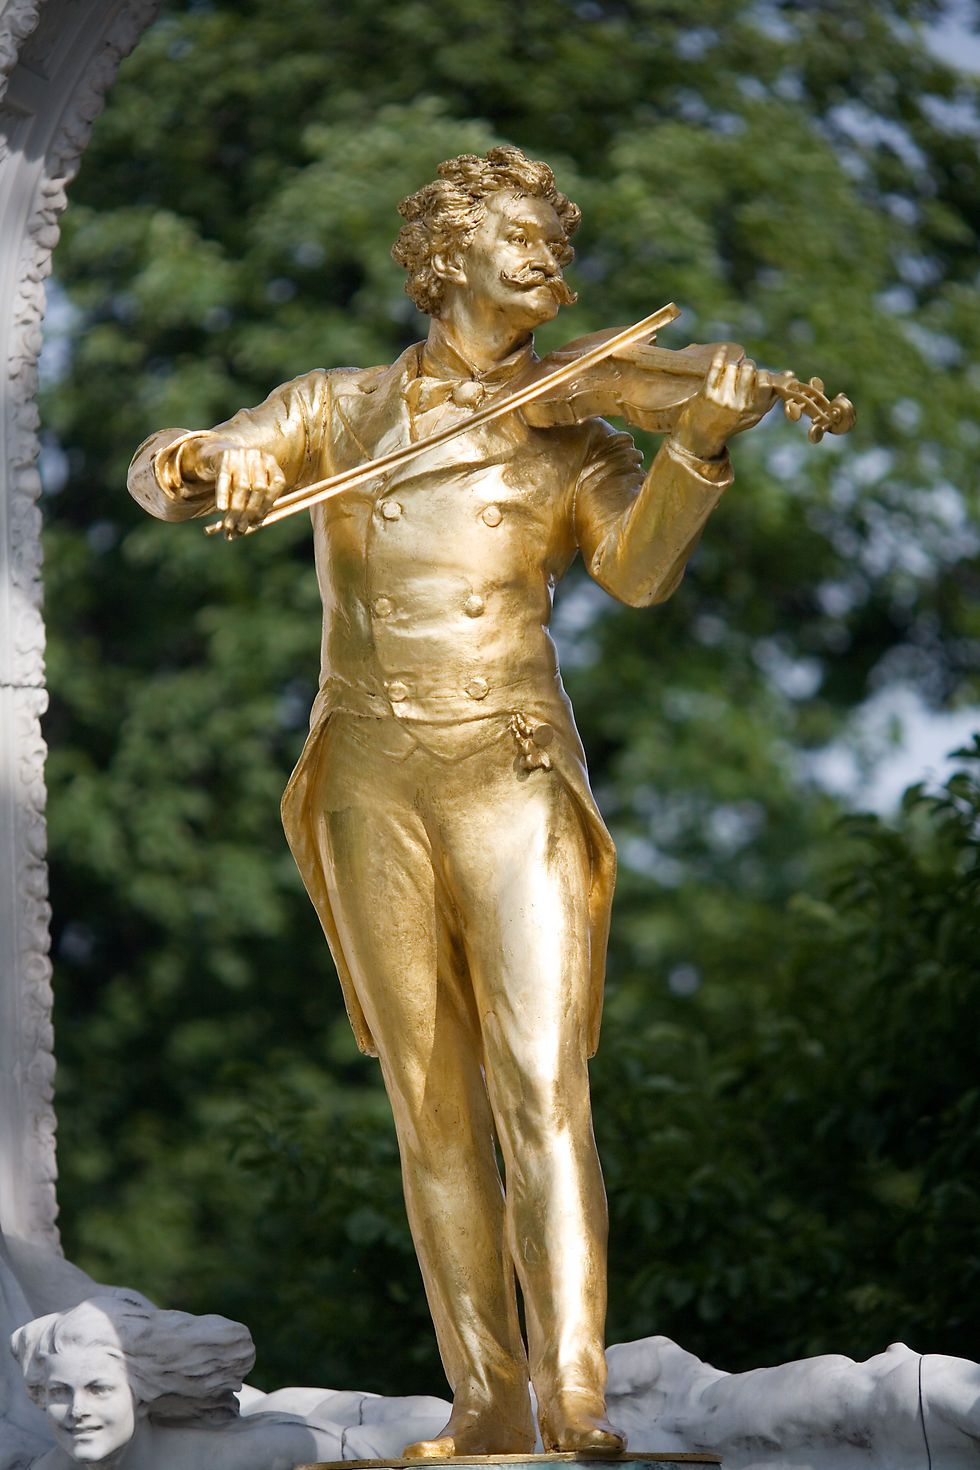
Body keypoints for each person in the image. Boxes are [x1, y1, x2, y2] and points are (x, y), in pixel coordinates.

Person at [127, 144, 776, 1458]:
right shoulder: (337, 407)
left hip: (513, 762)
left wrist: (696, 444)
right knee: (430, 1100)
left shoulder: (574, 424)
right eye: (522, 236)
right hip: (370, 767)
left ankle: (576, 1400)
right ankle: (487, 1398)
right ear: (448, 256)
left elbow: (640, 577)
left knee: (541, 1084)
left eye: (556, 239)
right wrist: (206, 458)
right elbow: (166, 470)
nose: (552, 259)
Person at [10, 1293, 338, 1470]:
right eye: (59, 1393)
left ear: (141, 1395)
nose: (77, 1410)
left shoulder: (263, 1453)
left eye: (99, 1389)